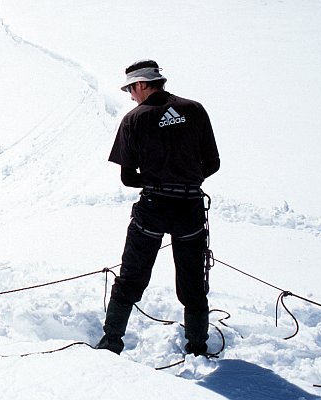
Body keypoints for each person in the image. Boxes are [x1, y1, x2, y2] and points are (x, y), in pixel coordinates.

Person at [96, 59, 220, 356]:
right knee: (191, 280)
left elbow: (128, 178)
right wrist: (186, 179)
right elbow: (213, 163)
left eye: (130, 89)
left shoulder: (134, 119)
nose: (130, 95)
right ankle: (197, 346)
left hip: (153, 207)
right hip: (190, 206)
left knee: (132, 275)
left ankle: (111, 341)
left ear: (141, 84)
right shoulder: (194, 110)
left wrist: (157, 179)